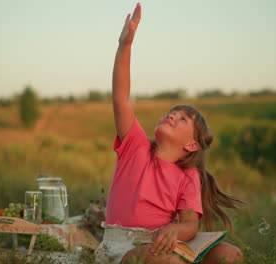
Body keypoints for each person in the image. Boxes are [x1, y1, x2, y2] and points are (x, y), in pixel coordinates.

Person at [95, 3, 244, 264]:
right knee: (169, 262)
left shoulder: (189, 177)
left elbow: (189, 223)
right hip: (123, 248)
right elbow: (121, 99)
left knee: (231, 255)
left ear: (192, 145)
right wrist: (125, 46)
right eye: (170, 113)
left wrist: (175, 230)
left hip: (165, 241)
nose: (171, 115)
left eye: (182, 117)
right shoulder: (135, 147)